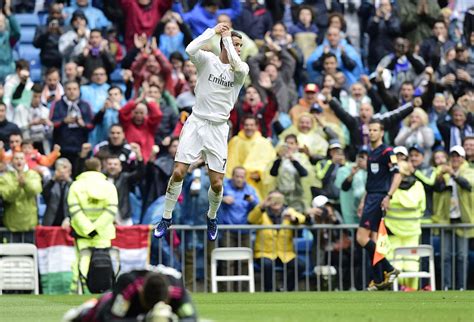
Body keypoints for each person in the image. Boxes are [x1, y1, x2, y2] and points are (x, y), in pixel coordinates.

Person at [154, 23, 249, 241]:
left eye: (240, 45)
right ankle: (166, 217)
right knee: (178, 172)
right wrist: (213, 32)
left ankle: (212, 216)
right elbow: (190, 49)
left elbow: (236, 63)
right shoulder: (208, 60)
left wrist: (226, 39)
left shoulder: (241, 70)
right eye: (235, 44)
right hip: (197, 123)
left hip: (218, 128)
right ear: (224, 45)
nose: (238, 49)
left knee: (216, 184)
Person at [356, 119, 402, 291]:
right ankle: (378, 280)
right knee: (373, 240)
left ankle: (389, 269)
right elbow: (371, 180)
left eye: (375, 130)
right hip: (371, 197)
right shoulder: (371, 153)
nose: (372, 133)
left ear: (381, 132)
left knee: (361, 238)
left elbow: (397, 175)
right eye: (370, 130)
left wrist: (388, 196)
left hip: (378, 198)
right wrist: (363, 200)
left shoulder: (388, 151)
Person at [62, 265, 197, 322]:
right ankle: (85, 310)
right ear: (141, 291)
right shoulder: (128, 286)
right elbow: (111, 318)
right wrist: (145, 319)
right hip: (119, 308)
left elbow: (191, 318)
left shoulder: (177, 289)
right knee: (100, 308)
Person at [68, 157, 118, 293]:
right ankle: (106, 292)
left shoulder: (75, 186)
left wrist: (88, 229)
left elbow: (75, 211)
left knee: (82, 263)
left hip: (82, 234)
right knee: (104, 263)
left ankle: (80, 291)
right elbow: (111, 210)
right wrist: (97, 228)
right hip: (103, 234)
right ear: (99, 168)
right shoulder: (109, 186)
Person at [248, 190, 306, 292]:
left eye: (279, 199)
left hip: (285, 253)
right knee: (267, 264)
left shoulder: (288, 211)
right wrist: (262, 206)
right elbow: (251, 219)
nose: (276, 202)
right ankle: (269, 290)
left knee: (300, 265)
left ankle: (286, 289)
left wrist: (293, 219)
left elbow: (302, 218)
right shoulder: (262, 212)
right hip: (264, 253)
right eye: (272, 199)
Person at [384, 161, 426, 291]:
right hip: (412, 231)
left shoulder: (390, 189)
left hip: (393, 232)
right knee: (412, 264)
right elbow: (422, 208)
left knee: (393, 265)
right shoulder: (418, 186)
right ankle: (411, 291)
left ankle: (397, 290)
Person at [0, 151, 42, 242]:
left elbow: (35, 190)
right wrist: (18, 187)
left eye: (21, 158)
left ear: (25, 161)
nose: (19, 161)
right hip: (11, 226)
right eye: (16, 158)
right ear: (12, 161)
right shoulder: (4, 178)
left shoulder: (33, 174)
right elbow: (7, 196)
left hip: (29, 225)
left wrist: (25, 184)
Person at [42, 158, 73, 227]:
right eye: (60, 169)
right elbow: (44, 194)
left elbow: (77, 193)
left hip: (67, 221)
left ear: (70, 171)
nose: (62, 172)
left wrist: (68, 180)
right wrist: (53, 179)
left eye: (65, 168)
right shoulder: (50, 183)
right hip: (51, 221)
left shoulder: (72, 185)